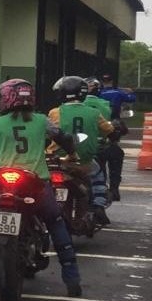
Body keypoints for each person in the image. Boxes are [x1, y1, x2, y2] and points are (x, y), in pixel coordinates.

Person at [0, 78, 82, 297]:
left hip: (1, 185)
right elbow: (64, 138)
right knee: (55, 221)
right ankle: (72, 278)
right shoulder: (42, 121)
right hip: (36, 184)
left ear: (5, 100)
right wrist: (72, 153)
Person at [47, 76, 112, 225]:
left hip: (57, 162)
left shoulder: (55, 112)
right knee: (98, 177)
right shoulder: (94, 113)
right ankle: (99, 205)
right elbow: (109, 130)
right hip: (83, 162)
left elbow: (48, 132)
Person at [93, 75, 133, 201]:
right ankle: (113, 189)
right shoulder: (107, 103)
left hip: (84, 146)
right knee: (116, 154)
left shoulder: (60, 110)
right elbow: (131, 99)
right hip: (104, 141)